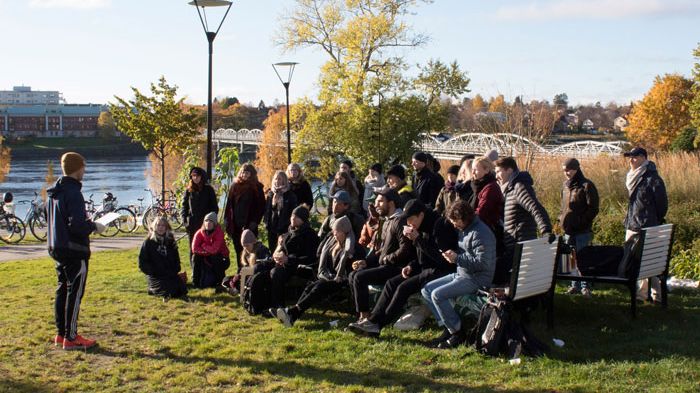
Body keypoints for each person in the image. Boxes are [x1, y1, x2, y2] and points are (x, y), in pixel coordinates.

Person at [348, 199, 457, 337]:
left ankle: (377, 324)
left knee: (402, 288)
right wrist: (411, 266)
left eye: (411, 219)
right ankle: (372, 321)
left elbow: (441, 259)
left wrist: (417, 239)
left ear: (421, 215)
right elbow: (420, 257)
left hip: (441, 270)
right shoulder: (420, 227)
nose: (409, 224)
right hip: (424, 268)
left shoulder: (439, 226)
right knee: (391, 283)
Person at [47, 152, 105, 350]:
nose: (85, 171)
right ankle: (71, 337)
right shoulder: (74, 193)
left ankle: (61, 334)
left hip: (57, 247)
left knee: (62, 289)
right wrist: (94, 226)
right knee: (75, 293)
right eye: (84, 168)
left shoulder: (55, 192)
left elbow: (61, 221)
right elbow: (77, 226)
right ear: (78, 168)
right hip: (74, 249)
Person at [422, 200, 497, 349]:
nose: (454, 225)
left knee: (437, 295)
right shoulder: (467, 228)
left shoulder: (481, 234)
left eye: (455, 221)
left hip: (477, 279)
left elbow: (483, 264)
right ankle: (447, 327)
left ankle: (457, 333)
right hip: (462, 273)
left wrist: (457, 258)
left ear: (464, 218)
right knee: (427, 289)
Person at [275, 216, 357, 327]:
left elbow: (353, 267)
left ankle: (292, 312)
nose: (334, 235)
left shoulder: (352, 248)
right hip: (329, 276)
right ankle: (293, 315)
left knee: (318, 288)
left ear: (344, 232)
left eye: (337, 232)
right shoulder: (332, 244)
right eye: (334, 232)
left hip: (341, 280)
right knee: (310, 287)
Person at [348, 187, 414, 322]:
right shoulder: (387, 221)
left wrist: (386, 259)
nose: (375, 205)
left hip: (397, 268)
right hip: (386, 264)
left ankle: (365, 317)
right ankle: (361, 316)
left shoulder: (400, 220)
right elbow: (382, 249)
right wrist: (366, 262)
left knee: (359, 277)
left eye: (379, 202)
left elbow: (405, 249)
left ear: (391, 203)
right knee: (353, 274)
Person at [494, 157, 553, 285]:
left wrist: (546, 230)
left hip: (520, 242)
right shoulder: (510, 189)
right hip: (514, 243)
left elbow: (535, 207)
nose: (496, 175)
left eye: (498, 171)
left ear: (509, 170)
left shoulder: (519, 187)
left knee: (498, 271)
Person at [622, 147, 668, 302]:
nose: (631, 160)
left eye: (634, 157)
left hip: (647, 226)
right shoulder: (632, 176)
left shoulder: (653, 179)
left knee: (648, 261)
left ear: (643, 158)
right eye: (630, 157)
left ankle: (646, 295)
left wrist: (652, 220)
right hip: (632, 223)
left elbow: (662, 205)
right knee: (634, 261)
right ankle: (653, 295)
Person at [263, 206, 319, 315]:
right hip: (284, 264)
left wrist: (289, 260)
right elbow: (282, 250)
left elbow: (311, 258)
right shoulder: (289, 233)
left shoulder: (310, 235)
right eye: (292, 215)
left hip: (299, 267)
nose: (293, 218)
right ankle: (261, 304)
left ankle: (278, 307)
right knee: (261, 267)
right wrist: (278, 255)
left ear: (303, 219)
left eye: (297, 216)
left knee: (276, 273)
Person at [558, 158, 599, 298]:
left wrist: (582, 222)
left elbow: (593, 208)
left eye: (569, 170)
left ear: (576, 169)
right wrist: (560, 221)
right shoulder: (565, 186)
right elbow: (563, 207)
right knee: (569, 260)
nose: (566, 173)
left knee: (583, 259)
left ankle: (585, 286)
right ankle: (573, 285)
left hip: (582, 230)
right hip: (567, 229)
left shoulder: (587, 185)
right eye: (564, 170)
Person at [224, 163, 265, 271]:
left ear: (252, 174)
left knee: (250, 249)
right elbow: (229, 206)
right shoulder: (234, 186)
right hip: (236, 224)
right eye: (243, 172)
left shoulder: (257, 187)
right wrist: (227, 221)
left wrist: (255, 222)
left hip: (250, 224)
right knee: (238, 249)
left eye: (247, 173)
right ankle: (240, 270)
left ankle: (251, 271)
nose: (244, 175)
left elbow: (261, 207)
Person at [138, 216, 187, 299]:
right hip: (155, 275)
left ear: (166, 227)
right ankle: (152, 288)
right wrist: (153, 271)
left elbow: (176, 259)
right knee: (167, 291)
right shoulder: (148, 242)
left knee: (181, 290)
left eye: (163, 225)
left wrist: (174, 271)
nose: (160, 228)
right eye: (158, 225)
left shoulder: (170, 241)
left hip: (169, 273)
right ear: (154, 227)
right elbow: (142, 263)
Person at [182, 166, 219, 262]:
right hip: (192, 223)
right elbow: (184, 207)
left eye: (197, 176)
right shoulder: (189, 191)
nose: (195, 178)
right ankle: (194, 268)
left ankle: (205, 267)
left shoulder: (209, 190)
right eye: (193, 176)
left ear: (201, 176)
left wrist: (211, 221)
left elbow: (214, 207)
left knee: (205, 246)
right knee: (193, 246)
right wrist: (185, 221)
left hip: (206, 224)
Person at [225, 229, 272, 294]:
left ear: (253, 242)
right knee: (227, 279)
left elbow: (266, 265)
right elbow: (243, 267)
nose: (245, 248)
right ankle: (236, 288)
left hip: (259, 276)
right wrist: (238, 275)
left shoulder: (262, 250)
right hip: (248, 274)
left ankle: (239, 290)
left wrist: (248, 271)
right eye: (243, 246)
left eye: (247, 245)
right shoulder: (246, 253)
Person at [191, 212, 231, 288]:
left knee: (215, 257)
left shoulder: (219, 233)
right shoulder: (199, 233)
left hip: (223, 259)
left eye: (211, 221)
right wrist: (206, 252)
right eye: (206, 221)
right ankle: (196, 282)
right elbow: (194, 249)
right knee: (195, 257)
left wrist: (203, 245)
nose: (208, 223)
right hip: (207, 256)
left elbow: (214, 250)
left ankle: (221, 283)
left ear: (215, 223)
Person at [263, 171, 298, 252]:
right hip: (272, 228)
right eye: (275, 179)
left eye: (279, 179)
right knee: (272, 251)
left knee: (283, 251)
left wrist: (290, 227)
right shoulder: (270, 194)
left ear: (284, 180)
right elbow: (267, 210)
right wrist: (266, 223)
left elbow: (293, 212)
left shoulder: (290, 195)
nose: (277, 181)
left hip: (284, 228)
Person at [469, 157, 503, 229]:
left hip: (486, 228)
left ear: (486, 170)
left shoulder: (491, 188)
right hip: (478, 225)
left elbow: (482, 212)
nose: (473, 172)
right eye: (472, 169)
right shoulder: (476, 186)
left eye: (476, 169)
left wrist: (465, 221)